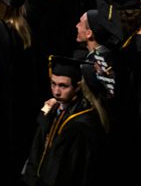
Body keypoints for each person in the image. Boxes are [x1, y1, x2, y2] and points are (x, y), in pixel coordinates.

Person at [23, 56, 108, 186]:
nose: (56, 92)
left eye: (63, 86)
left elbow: (63, 169)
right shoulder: (56, 109)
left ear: (78, 87)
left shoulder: (81, 123)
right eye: (53, 84)